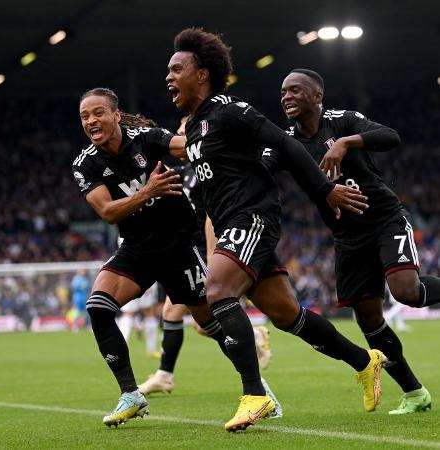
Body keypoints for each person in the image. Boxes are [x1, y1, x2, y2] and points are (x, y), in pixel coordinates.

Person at [166, 28, 387, 432]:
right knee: (289, 316)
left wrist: (325, 190)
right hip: (231, 223)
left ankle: (256, 394)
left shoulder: (231, 112)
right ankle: (364, 361)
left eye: (177, 69)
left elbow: (287, 146)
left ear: (202, 74)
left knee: (218, 292)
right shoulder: (195, 127)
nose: (169, 77)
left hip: (251, 218)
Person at [263, 67, 434, 414]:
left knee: (406, 292)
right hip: (347, 237)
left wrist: (346, 142)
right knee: (368, 316)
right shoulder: (286, 141)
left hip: (384, 218)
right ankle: (414, 393)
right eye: (283, 92)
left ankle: (413, 389)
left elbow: (390, 137)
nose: (286, 97)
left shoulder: (343, 121)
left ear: (316, 96)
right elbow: (260, 168)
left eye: (295, 90)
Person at [73, 87, 238, 427]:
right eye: (85, 116)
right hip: (136, 248)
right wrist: (148, 190)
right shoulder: (85, 164)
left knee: (211, 324)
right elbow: (107, 211)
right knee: (98, 307)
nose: (91, 120)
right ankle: (131, 394)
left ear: (116, 115)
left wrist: (217, 137)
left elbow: (184, 148)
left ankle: (257, 388)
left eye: (98, 112)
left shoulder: (147, 139)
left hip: (179, 245)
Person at [138, 118, 275, 397]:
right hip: (189, 250)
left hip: (209, 249)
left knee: (200, 322)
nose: (173, 139)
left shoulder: (206, 171)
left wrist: (214, 258)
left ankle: (252, 350)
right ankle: (165, 374)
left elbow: (212, 218)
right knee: (174, 313)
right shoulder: (184, 171)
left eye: (179, 134)